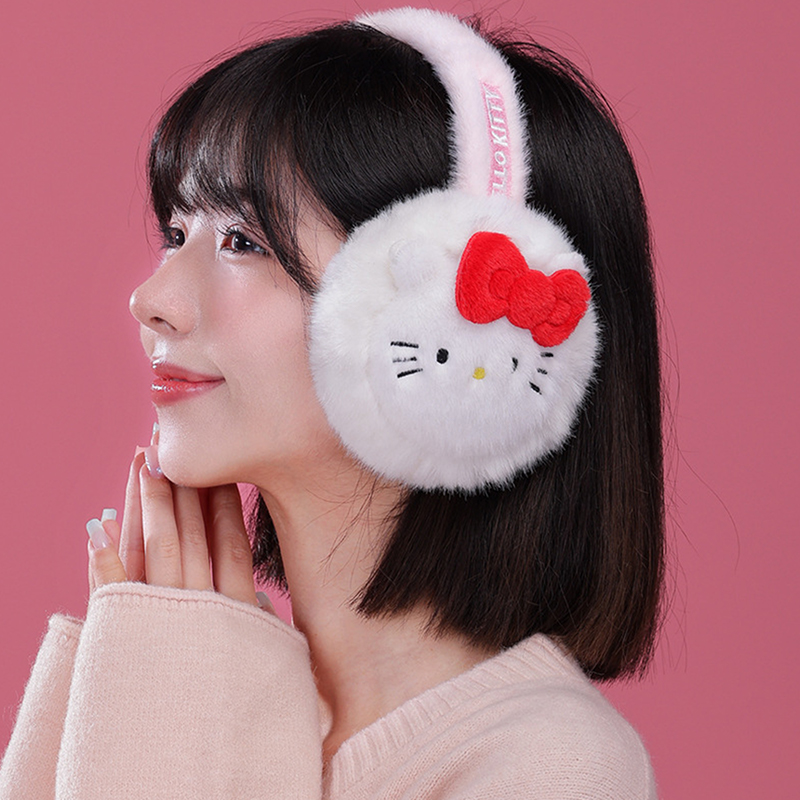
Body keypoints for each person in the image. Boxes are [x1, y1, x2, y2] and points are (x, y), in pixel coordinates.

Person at [0, 8, 663, 799]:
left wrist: (172, 706)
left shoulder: (551, 768)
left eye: (244, 241)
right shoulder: (177, 675)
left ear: (453, 333)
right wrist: (163, 681)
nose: (151, 299)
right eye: (177, 233)